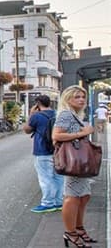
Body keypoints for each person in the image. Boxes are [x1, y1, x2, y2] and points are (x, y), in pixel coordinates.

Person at [53, 85, 96, 247]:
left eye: (83, 97)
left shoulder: (75, 114)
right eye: (77, 97)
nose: (81, 99)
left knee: (84, 197)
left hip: (79, 162)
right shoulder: (66, 114)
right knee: (72, 198)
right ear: (67, 99)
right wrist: (83, 133)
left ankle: (78, 228)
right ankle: (70, 233)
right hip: (73, 162)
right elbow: (56, 136)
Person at [22, 95, 63, 213]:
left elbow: (26, 130)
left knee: (45, 177)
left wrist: (30, 114)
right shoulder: (57, 114)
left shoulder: (36, 116)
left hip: (42, 150)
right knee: (58, 176)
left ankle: (48, 203)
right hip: (58, 150)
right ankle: (59, 202)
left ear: (38, 103)